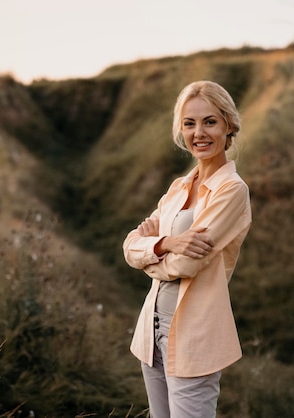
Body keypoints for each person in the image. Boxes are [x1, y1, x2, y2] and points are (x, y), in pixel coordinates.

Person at [122, 80, 252, 418]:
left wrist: (151, 252)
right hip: (151, 331)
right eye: (189, 123)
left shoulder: (232, 190)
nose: (199, 133)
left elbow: (186, 266)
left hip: (195, 336)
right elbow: (129, 246)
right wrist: (167, 243)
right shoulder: (179, 186)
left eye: (210, 121)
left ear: (228, 125)